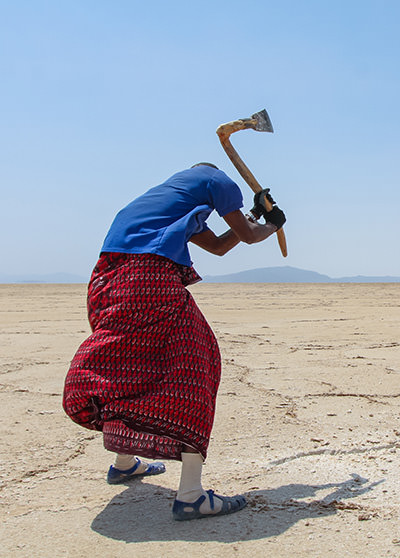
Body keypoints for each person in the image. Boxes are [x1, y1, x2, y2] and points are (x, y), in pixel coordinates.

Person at [63, 163, 286, 521]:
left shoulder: (168, 200)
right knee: (197, 365)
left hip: (108, 282)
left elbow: (217, 246)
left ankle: (124, 463)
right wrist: (273, 224)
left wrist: (256, 215)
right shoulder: (216, 179)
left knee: (131, 368)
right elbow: (246, 235)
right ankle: (192, 495)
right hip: (148, 278)